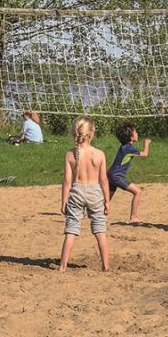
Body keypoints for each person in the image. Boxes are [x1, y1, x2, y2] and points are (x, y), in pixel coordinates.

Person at [59, 116, 110, 272]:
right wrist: (107, 200)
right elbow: (104, 180)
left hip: (77, 191)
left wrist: (64, 201)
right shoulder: (99, 154)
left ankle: (63, 266)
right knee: (100, 230)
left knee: (71, 229)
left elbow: (67, 182)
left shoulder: (70, 155)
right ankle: (105, 265)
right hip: (95, 191)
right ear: (91, 134)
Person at [108, 123, 151, 223]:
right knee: (138, 192)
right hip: (116, 177)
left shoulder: (124, 146)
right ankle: (133, 217)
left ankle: (92, 212)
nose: (137, 133)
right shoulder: (129, 148)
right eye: (135, 132)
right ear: (131, 136)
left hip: (111, 175)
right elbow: (145, 154)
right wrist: (146, 143)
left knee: (106, 200)